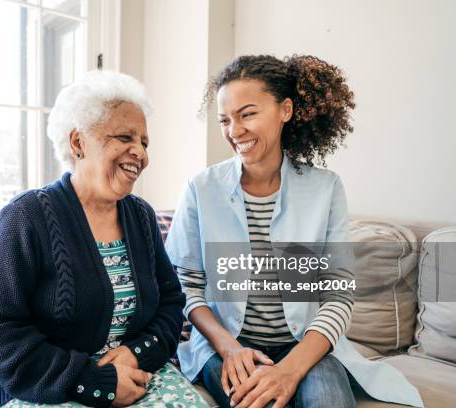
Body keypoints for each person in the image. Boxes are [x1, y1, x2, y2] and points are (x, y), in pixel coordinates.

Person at [165, 55, 423, 408]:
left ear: (285, 110)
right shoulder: (201, 188)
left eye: (248, 114)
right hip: (227, 345)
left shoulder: (325, 188)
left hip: (304, 345)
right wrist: (229, 348)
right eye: (225, 120)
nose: (234, 130)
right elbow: (186, 286)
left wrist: (290, 370)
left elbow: (337, 295)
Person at [0, 70, 209, 408]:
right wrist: (95, 383)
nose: (139, 153)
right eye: (125, 137)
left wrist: (134, 353)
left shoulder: (141, 217)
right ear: (78, 142)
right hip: (46, 384)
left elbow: (171, 302)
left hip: (135, 374)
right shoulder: (27, 216)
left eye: (143, 142)